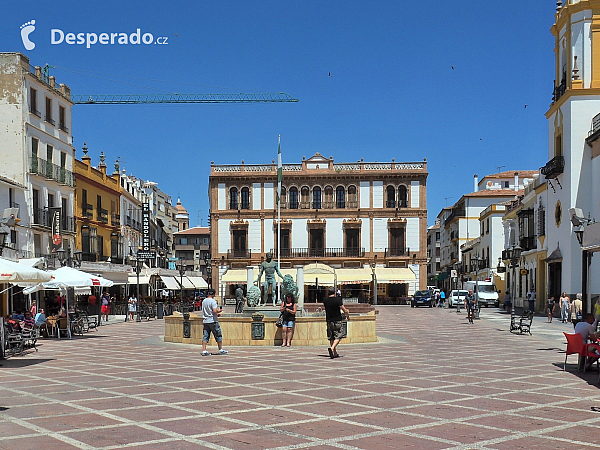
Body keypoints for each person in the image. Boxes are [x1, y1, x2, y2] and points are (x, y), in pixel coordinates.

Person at [323, 286, 350, 359]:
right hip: (337, 320)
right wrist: (348, 316)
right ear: (334, 292)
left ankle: (334, 353)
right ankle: (332, 348)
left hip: (329, 320)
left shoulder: (325, 300)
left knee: (331, 337)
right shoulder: (338, 300)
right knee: (339, 336)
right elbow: (344, 310)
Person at [201, 289, 227, 356]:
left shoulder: (204, 301)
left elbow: (207, 311)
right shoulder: (213, 301)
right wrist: (219, 311)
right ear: (213, 294)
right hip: (213, 321)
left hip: (206, 320)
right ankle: (220, 349)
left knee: (205, 336)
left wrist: (216, 314)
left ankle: (204, 350)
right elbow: (214, 311)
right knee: (218, 334)